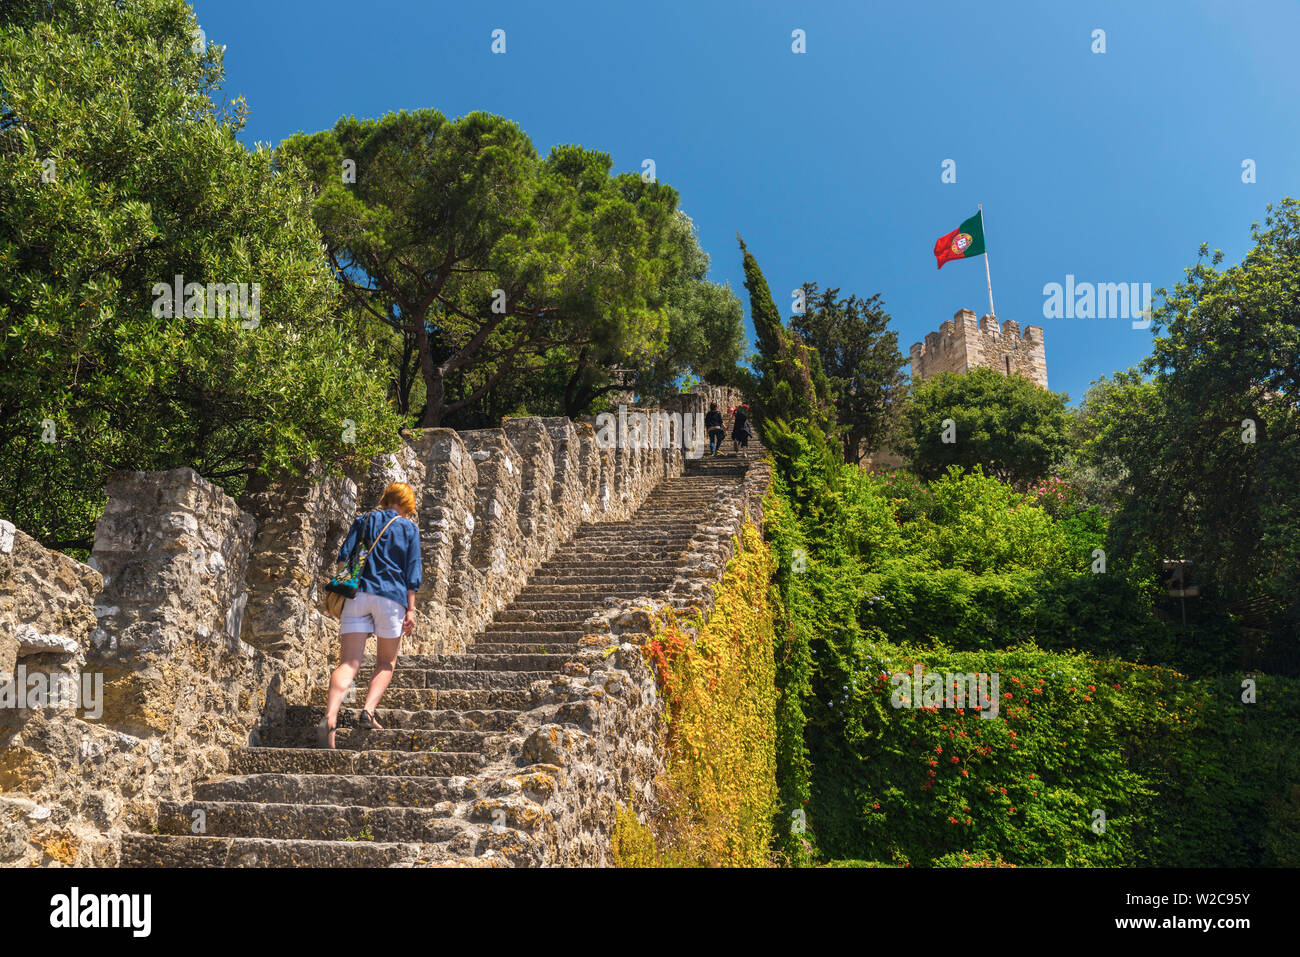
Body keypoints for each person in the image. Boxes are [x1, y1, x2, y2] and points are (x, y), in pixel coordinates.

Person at [319, 482, 422, 749]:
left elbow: (344, 559)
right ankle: (367, 711)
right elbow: (412, 573)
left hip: (357, 594)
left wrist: (341, 592)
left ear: (386, 498)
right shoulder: (408, 528)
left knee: (349, 663)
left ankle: (330, 716)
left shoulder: (363, 520)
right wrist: (411, 609)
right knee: (386, 662)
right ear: (406, 505)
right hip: (392, 598)